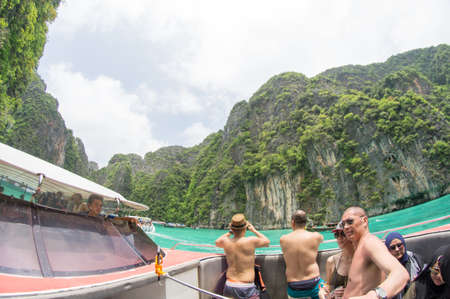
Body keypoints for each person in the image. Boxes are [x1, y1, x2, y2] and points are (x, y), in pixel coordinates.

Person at [341, 207, 409, 299]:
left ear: (364, 220)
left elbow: (401, 274)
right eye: (343, 224)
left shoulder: (370, 242)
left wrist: (372, 296)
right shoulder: (359, 248)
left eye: (350, 222)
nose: (345, 227)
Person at [215, 213, 270, 299]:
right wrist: (254, 230)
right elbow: (267, 242)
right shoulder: (251, 241)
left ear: (232, 228)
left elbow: (217, 242)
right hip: (246, 287)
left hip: (229, 285)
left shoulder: (226, 242)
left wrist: (229, 232)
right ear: (245, 228)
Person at [280, 210, 325, 299]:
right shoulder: (316, 236)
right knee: (326, 285)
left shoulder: (283, 239)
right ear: (306, 223)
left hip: (294, 286)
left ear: (292, 222)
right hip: (313, 283)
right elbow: (322, 239)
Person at [384, 232, 424, 299]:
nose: (397, 249)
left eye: (399, 245)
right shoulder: (384, 267)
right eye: (393, 247)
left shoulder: (416, 260)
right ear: (388, 250)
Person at [325, 222, 354, 299]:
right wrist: (331, 293)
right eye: (336, 235)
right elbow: (327, 285)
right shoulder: (331, 261)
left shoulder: (362, 259)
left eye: (343, 234)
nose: (339, 238)